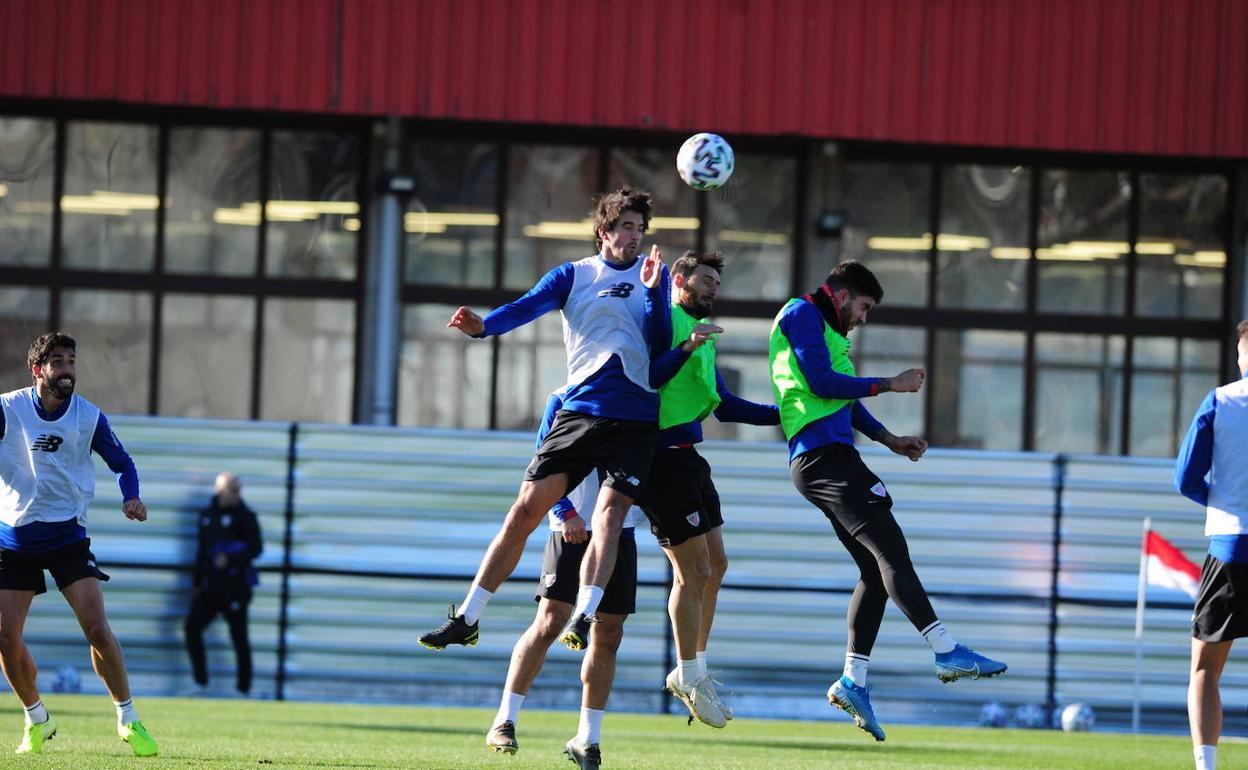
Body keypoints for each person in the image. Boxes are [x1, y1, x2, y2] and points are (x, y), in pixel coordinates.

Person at [419, 187, 671, 652]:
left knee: (610, 516)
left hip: (634, 418)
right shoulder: (574, 275)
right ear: (604, 232)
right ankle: (468, 617)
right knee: (523, 511)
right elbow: (526, 306)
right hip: (580, 412)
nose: (635, 236)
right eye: (626, 227)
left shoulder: (655, 274)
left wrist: (655, 292)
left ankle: (584, 614)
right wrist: (484, 327)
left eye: (640, 228)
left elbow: (661, 343)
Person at [768, 261, 1006, 742]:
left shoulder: (825, 328)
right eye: (864, 307)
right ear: (841, 295)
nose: (863, 317)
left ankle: (853, 681)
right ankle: (945, 649)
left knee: (875, 571)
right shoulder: (802, 314)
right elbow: (820, 383)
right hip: (824, 459)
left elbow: (843, 400)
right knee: (892, 551)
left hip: (827, 459)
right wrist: (888, 383)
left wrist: (890, 439)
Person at [0, 332, 159, 756]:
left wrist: (131, 496)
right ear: (37, 370)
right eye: (57, 361)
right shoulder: (8, 409)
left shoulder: (88, 416)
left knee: (96, 628)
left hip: (67, 537)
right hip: (13, 539)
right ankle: (37, 718)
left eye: (71, 360)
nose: (67, 368)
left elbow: (123, 463)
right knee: (5, 638)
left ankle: (128, 719)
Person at [644, 251, 779, 727]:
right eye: (704, 279)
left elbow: (727, 406)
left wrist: (789, 414)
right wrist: (684, 343)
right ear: (679, 280)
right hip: (661, 461)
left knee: (716, 566)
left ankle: (694, 670)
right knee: (693, 572)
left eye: (717, 283)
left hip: (690, 460)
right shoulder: (666, 321)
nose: (712, 288)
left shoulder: (704, 336)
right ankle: (688, 674)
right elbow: (650, 374)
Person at [487, 390, 642, 770]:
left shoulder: (642, 397)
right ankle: (504, 720)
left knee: (609, 633)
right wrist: (564, 511)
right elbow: (543, 460)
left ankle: (588, 739)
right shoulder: (564, 396)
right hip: (572, 529)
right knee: (550, 621)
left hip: (619, 532)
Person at [1175, 320, 1248, 770]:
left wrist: (1222, 501)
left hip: (1232, 548)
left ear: (1243, 355)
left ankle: (1207, 767)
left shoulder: (1221, 401)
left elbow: (1185, 479)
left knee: (1205, 669)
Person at [184, 472, 262, 697]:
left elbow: (256, 547)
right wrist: (197, 581)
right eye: (232, 490)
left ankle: (243, 689)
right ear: (220, 490)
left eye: (239, 490)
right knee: (192, 629)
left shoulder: (246, 516)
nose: (237, 495)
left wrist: (231, 559)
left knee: (239, 638)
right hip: (210, 587)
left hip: (235, 588)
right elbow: (201, 550)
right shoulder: (207, 515)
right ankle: (201, 683)